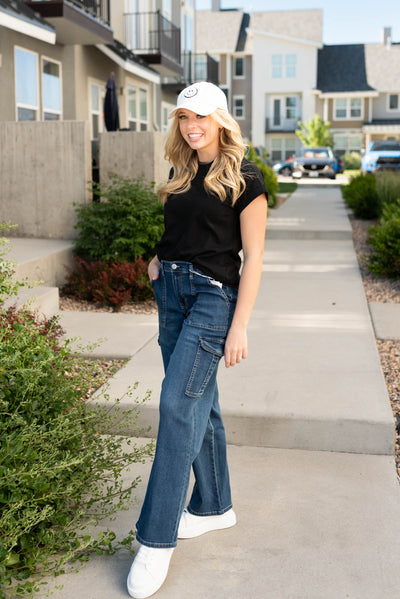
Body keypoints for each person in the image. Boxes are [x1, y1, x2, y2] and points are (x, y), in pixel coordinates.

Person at [127, 81, 268, 599]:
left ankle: (156, 539)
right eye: (185, 117)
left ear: (221, 121)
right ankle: (213, 507)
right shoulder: (181, 170)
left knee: (176, 407)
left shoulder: (246, 179)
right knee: (199, 405)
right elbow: (185, 230)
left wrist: (241, 325)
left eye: (201, 117)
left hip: (213, 301)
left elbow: (252, 258)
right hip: (173, 294)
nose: (192, 126)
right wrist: (159, 258)